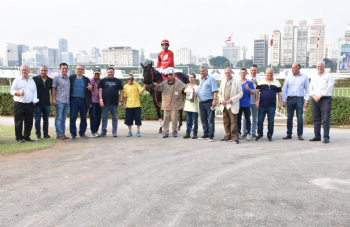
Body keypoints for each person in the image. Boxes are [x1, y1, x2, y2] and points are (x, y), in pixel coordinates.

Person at [153, 69, 186, 138]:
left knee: (174, 120)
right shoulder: (164, 83)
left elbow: (185, 87)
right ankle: (166, 132)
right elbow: (159, 88)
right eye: (169, 75)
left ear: (174, 75)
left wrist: (190, 86)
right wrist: (155, 85)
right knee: (166, 120)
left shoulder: (178, 82)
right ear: (167, 76)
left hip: (175, 105)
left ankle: (174, 132)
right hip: (166, 105)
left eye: (171, 75)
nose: (170, 76)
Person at [10, 65, 39, 143]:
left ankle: (27, 136)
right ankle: (19, 137)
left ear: (29, 71)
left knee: (29, 121)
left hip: (29, 104)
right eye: (22, 70)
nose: (24, 72)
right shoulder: (17, 80)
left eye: (25, 70)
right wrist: (19, 93)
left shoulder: (32, 81)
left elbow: (35, 92)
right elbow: (12, 91)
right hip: (19, 104)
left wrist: (34, 101)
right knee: (18, 121)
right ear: (20, 71)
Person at [281, 63, 310, 140]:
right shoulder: (288, 78)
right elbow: (284, 89)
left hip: (299, 99)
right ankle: (289, 134)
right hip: (290, 99)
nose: (292, 69)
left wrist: (307, 100)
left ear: (299, 68)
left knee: (300, 118)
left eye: (294, 68)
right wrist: (284, 100)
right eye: (292, 68)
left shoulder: (305, 77)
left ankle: (300, 134)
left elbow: (307, 89)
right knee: (289, 118)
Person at [309, 61, 334, 143]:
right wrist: (314, 96)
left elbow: (329, 87)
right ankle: (317, 136)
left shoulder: (329, 76)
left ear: (324, 67)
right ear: (316, 67)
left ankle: (326, 137)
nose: (320, 68)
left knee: (326, 119)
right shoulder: (314, 77)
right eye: (318, 66)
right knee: (316, 119)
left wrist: (320, 96)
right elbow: (310, 88)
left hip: (325, 99)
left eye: (321, 66)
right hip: (315, 99)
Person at [255, 68, 282, 141]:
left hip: (272, 105)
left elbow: (279, 94)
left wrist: (280, 103)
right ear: (265, 74)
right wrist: (257, 102)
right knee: (260, 120)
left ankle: (270, 135)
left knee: (271, 121)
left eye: (271, 73)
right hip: (262, 105)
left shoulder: (277, 82)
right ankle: (260, 134)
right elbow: (257, 92)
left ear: (273, 74)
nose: (269, 75)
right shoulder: (261, 82)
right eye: (268, 73)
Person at [218, 67, 243, 143]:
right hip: (225, 105)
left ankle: (235, 137)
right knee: (226, 122)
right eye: (226, 73)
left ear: (231, 72)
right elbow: (220, 94)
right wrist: (221, 100)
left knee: (233, 122)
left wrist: (232, 100)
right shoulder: (223, 81)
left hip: (233, 105)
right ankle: (227, 136)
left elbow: (240, 93)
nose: (227, 74)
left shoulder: (237, 81)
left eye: (228, 72)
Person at [98, 67, 123, 137]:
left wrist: (120, 101)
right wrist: (101, 100)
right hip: (105, 103)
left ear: (114, 72)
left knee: (114, 118)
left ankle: (114, 131)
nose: (110, 73)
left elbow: (121, 91)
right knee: (104, 118)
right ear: (107, 73)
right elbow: (100, 90)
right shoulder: (103, 81)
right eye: (109, 72)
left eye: (111, 72)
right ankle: (103, 131)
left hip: (114, 103)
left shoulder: (118, 81)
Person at [69, 65, 92, 139]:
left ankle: (82, 133)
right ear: (76, 70)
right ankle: (73, 133)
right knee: (73, 117)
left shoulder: (86, 79)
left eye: (81, 69)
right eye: (78, 69)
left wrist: (90, 102)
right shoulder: (71, 78)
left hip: (83, 100)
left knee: (83, 118)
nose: (80, 70)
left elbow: (89, 91)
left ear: (83, 70)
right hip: (73, 100)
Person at [197, 65, 218, 142]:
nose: (201, 72)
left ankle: (211, 135)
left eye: (203, 71)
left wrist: (214, 100)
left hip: (209, 102)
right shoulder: (200, 80)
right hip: (201, 102)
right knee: (203, 119)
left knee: (210, 119)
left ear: (207, 71)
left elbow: (215, 90)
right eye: (200, 71)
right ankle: (206, 133)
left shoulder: (211, 79)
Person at [33, 66, 53, 140]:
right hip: (37, 103)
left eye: (45, 70)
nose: (43, 72)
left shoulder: (50, 80)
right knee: (37, 119)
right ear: (39, 71)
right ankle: (38, 134)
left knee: (46, 120)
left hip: (47, 103)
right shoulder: (35, 79)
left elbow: (52, 91)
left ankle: (46, 134)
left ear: (47, 71)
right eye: (42, 70)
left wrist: (53, 99)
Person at [52, 63, 71, 140]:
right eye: (63, 68)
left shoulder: (68, 78)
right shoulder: (57, 78)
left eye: (65, 68)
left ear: (67, 69)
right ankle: (59, 134)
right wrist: (53, 99)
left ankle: (62, 134)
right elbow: (53, 88)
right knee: (59, 118)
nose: (64, 70)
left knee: (63, 118)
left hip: (66, 101)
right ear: (60, 69)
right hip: (59, 100)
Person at [242, 64, 261, 138]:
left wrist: (257, 83)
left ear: (257, 70)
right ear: (249, 71)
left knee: (255, 118)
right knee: (245, 118)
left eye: (255, 70)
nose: (253, 71)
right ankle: (244, 132)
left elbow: (262, 90)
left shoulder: (259, 79)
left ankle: (253, 132)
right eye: (252, 70)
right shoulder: (246, 79)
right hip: (247, 101)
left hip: (255, 101)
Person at [237, 68, 255, 140]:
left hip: (247, 104)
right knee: (238, 119)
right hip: (238, 104)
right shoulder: (237, 82)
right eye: (241, 73)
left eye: (244, 73)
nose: (243, 74)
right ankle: (238, 132)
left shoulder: (249, 82)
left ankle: (248, 133)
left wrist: (249, 89)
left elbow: (253, 93)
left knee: (247, 119)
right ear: (239, 74)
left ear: (246, 73)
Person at [183, 73, 199, 139]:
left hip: (194, 107)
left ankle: (195, 133)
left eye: (192, 77)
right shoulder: (187, 86)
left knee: (195, 121)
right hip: (187, 106)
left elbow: (195, 97)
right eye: (189, 77)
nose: (191, 78)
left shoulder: (197, 87)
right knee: (188, 121)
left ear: (195, 78)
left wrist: (193, 90)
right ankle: (188, 133)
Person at [89, 68, 102, 138]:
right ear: (93, 73)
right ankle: (93, 131)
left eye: (98, 73)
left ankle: (96, 130)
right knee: (93, 117)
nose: (97, 74)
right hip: (93, 101)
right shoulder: (91, 80)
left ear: (100, 73)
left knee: (98, 117)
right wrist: (89, 102)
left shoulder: (101, 80)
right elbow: (89, 91)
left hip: (99, 101)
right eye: (95, 73)